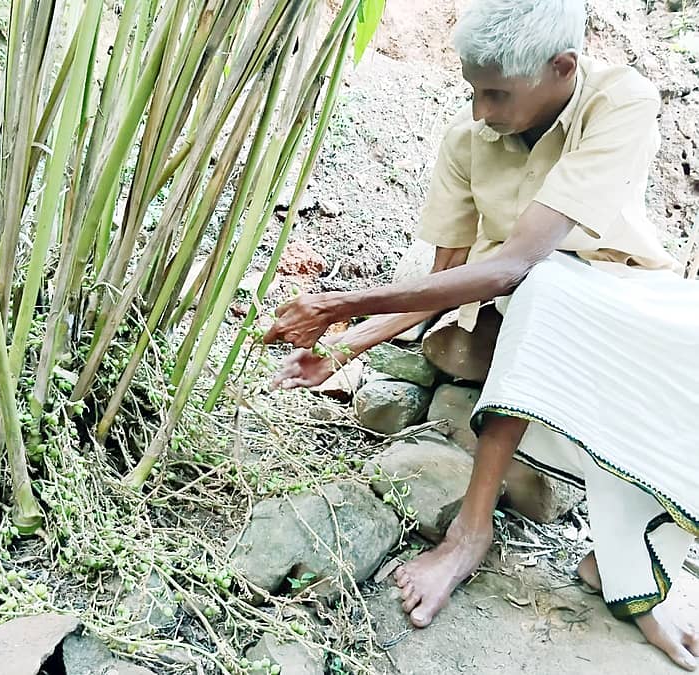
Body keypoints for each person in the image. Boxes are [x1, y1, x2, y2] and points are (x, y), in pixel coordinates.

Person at [263, 0, 699, 670]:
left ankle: (624, 564)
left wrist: (339, 302)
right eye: (472, 90)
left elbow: (517, 258)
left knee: (564, 285)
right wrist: (343, 345)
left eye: (495, 93)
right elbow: (451, 278)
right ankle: (471, 529)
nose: (479, 112)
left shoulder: (621, 100)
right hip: (521, 315)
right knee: (546, 285)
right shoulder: (467, 144)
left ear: (562, 68)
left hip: (628, 300)